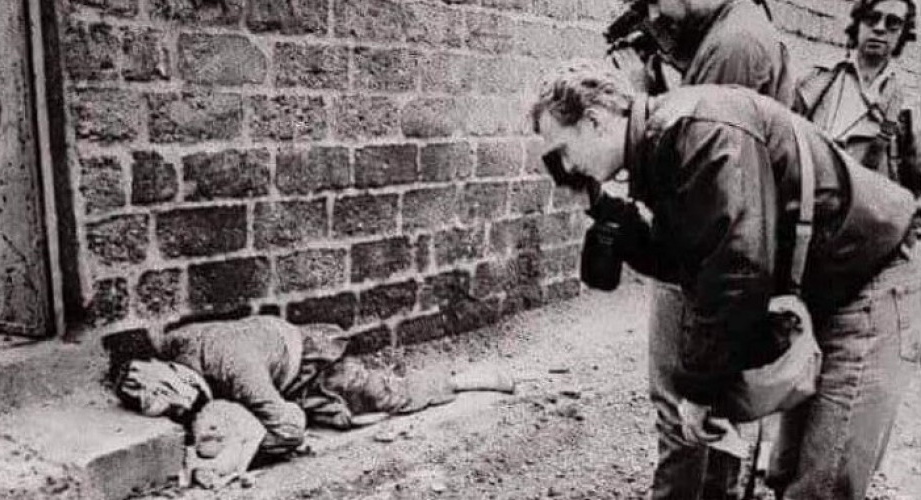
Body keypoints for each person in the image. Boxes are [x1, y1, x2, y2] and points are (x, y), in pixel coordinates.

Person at [531, 60, 921, 500]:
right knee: (788, 470)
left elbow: (738, 270)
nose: (565, 167)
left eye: (563, 151)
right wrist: (618, 223)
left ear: (594, 121)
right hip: (829, 283)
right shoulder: (663, 147)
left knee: (824, 483)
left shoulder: (699, 132)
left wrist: (700, 391)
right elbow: (695, 262)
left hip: (873, 273)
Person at [601, 0, 794, 497]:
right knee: (716, 404)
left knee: (680, 406)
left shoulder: (735, 44)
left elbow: (694, 158)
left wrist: (640, 96)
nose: (653, 12)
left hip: (706, 249)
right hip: (721, 241)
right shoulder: (735, 30)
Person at [116, 315, 515, 456]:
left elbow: (290, 429)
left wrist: (237, 445)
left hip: (309, 364)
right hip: (271, 373)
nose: (179, 412)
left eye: (175, 400)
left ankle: (460, 379)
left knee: (381, 395)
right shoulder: (173, 347)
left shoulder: (235, 366)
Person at [793, 0, 921, 195]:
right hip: (805, 201)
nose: (879, 28)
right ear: (858, 23)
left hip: (867, 208)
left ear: (903, 33)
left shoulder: (907, 109)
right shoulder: (817, 80)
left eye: (892, 23)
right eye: (872, 18)